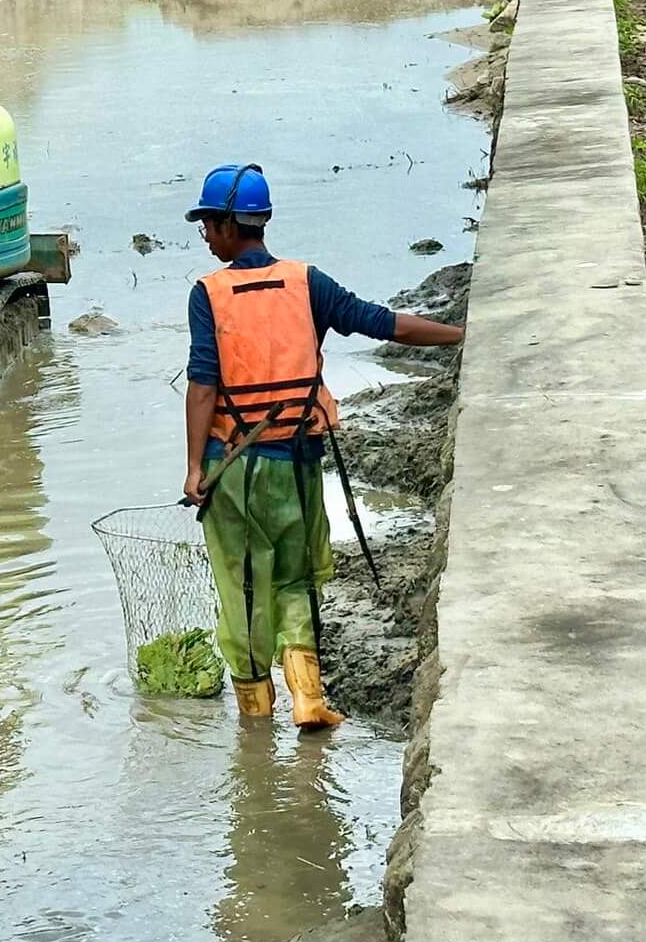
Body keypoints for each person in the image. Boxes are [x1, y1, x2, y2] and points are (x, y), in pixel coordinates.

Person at [181, 162, 464, 728]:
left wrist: (193, 467)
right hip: (298, 464)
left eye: (208, 224)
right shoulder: (308, 283)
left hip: (232, 469)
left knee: (242, 589)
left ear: (231, 225)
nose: (206, 235)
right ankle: (309, 699)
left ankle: (256, 725)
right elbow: (384, 323)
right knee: (296, 579)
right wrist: (463, 334)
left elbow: (203, 384)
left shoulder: (208, 294)